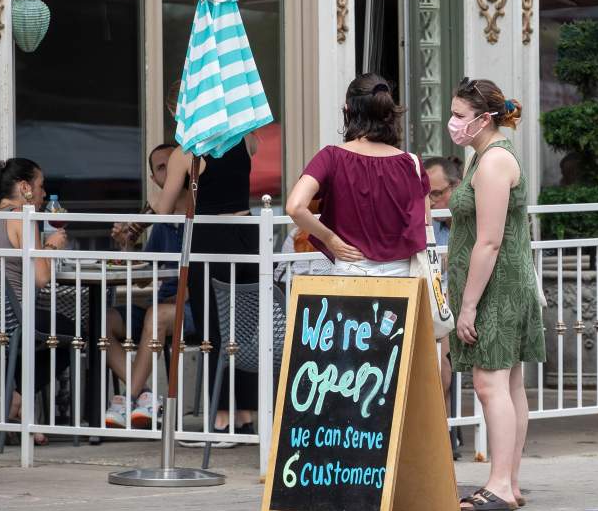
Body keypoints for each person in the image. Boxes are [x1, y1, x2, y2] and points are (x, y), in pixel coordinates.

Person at [0, 158, 130, 444]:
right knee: (73, 332)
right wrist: (51, 245)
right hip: (13, 318)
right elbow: (41, 278)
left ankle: (17, 406)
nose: (44, 194)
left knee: (45, 329)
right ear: (24, 188)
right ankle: (15, 400)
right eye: (40, 185)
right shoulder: (22, 217)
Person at [447, 78, 544, 511]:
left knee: (490, 383)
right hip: (504, 282)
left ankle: (501, 483)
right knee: (508, 383)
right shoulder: (485, 156)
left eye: (460, 116)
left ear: (484, 119)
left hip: (497, 287)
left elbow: (488, 241)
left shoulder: (492, 162)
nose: (452, 123)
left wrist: (468, 305)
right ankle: (510, 480)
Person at [153, 84, 260, 446]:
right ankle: (245, 414)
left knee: (215, 329)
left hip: (210, 238)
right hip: (246, 235)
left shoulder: (188, 152)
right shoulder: (243, 138)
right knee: (243, 327)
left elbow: (164, 209)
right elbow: (254, 145)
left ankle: (221, 417)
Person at [286, 74, 429, 279]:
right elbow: (426, 226)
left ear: (347, 110)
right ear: (389, 114)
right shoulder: (412, 163)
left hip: (351, 270)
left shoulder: (331, 157)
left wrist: (329, 238)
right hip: (405, 276)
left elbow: (294, 206)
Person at [107, 143, 197, 428]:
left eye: (173, 164)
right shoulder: (161, 223)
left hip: (196, 308)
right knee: (99, 319)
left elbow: (210, 275)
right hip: (160, 309)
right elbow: (143, 276)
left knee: (154, 315)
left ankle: (129, 397)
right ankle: (145, 397)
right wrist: (127, 244)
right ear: (156, 180)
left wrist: (180, 299)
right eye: (162, 167)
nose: (170, 171)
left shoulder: (202, 215)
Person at [424, 155, 462, 410]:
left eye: (437, 194)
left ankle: (445, 433)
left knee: (438, 360)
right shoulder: (428, 224)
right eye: (427, 195)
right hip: (438, 305)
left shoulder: (473, 221)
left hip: (463, 304)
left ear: (456, 187)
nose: (432, 202)